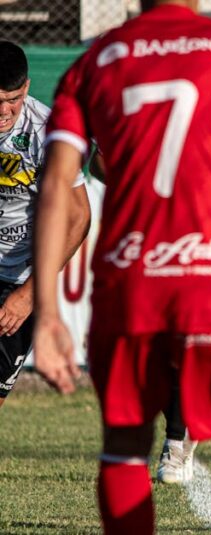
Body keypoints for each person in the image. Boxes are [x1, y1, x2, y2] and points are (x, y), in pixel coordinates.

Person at [32, 0, 211, 533]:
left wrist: (47, 311)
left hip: (129, 286)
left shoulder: (95, 61)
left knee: (125, 451)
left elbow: (57, 184)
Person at [89, 151, 196, 484]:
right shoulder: (136, 104)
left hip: (199, 234)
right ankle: (180, 429)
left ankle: (177, 439)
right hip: (142, 235)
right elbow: (97, 162)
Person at [0, 41, 91, 409]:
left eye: (14, 99)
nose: (4, 111)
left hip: (18, 276)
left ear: (27, 87)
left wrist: (30, 293)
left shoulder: (47, 133)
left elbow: (78, 216)